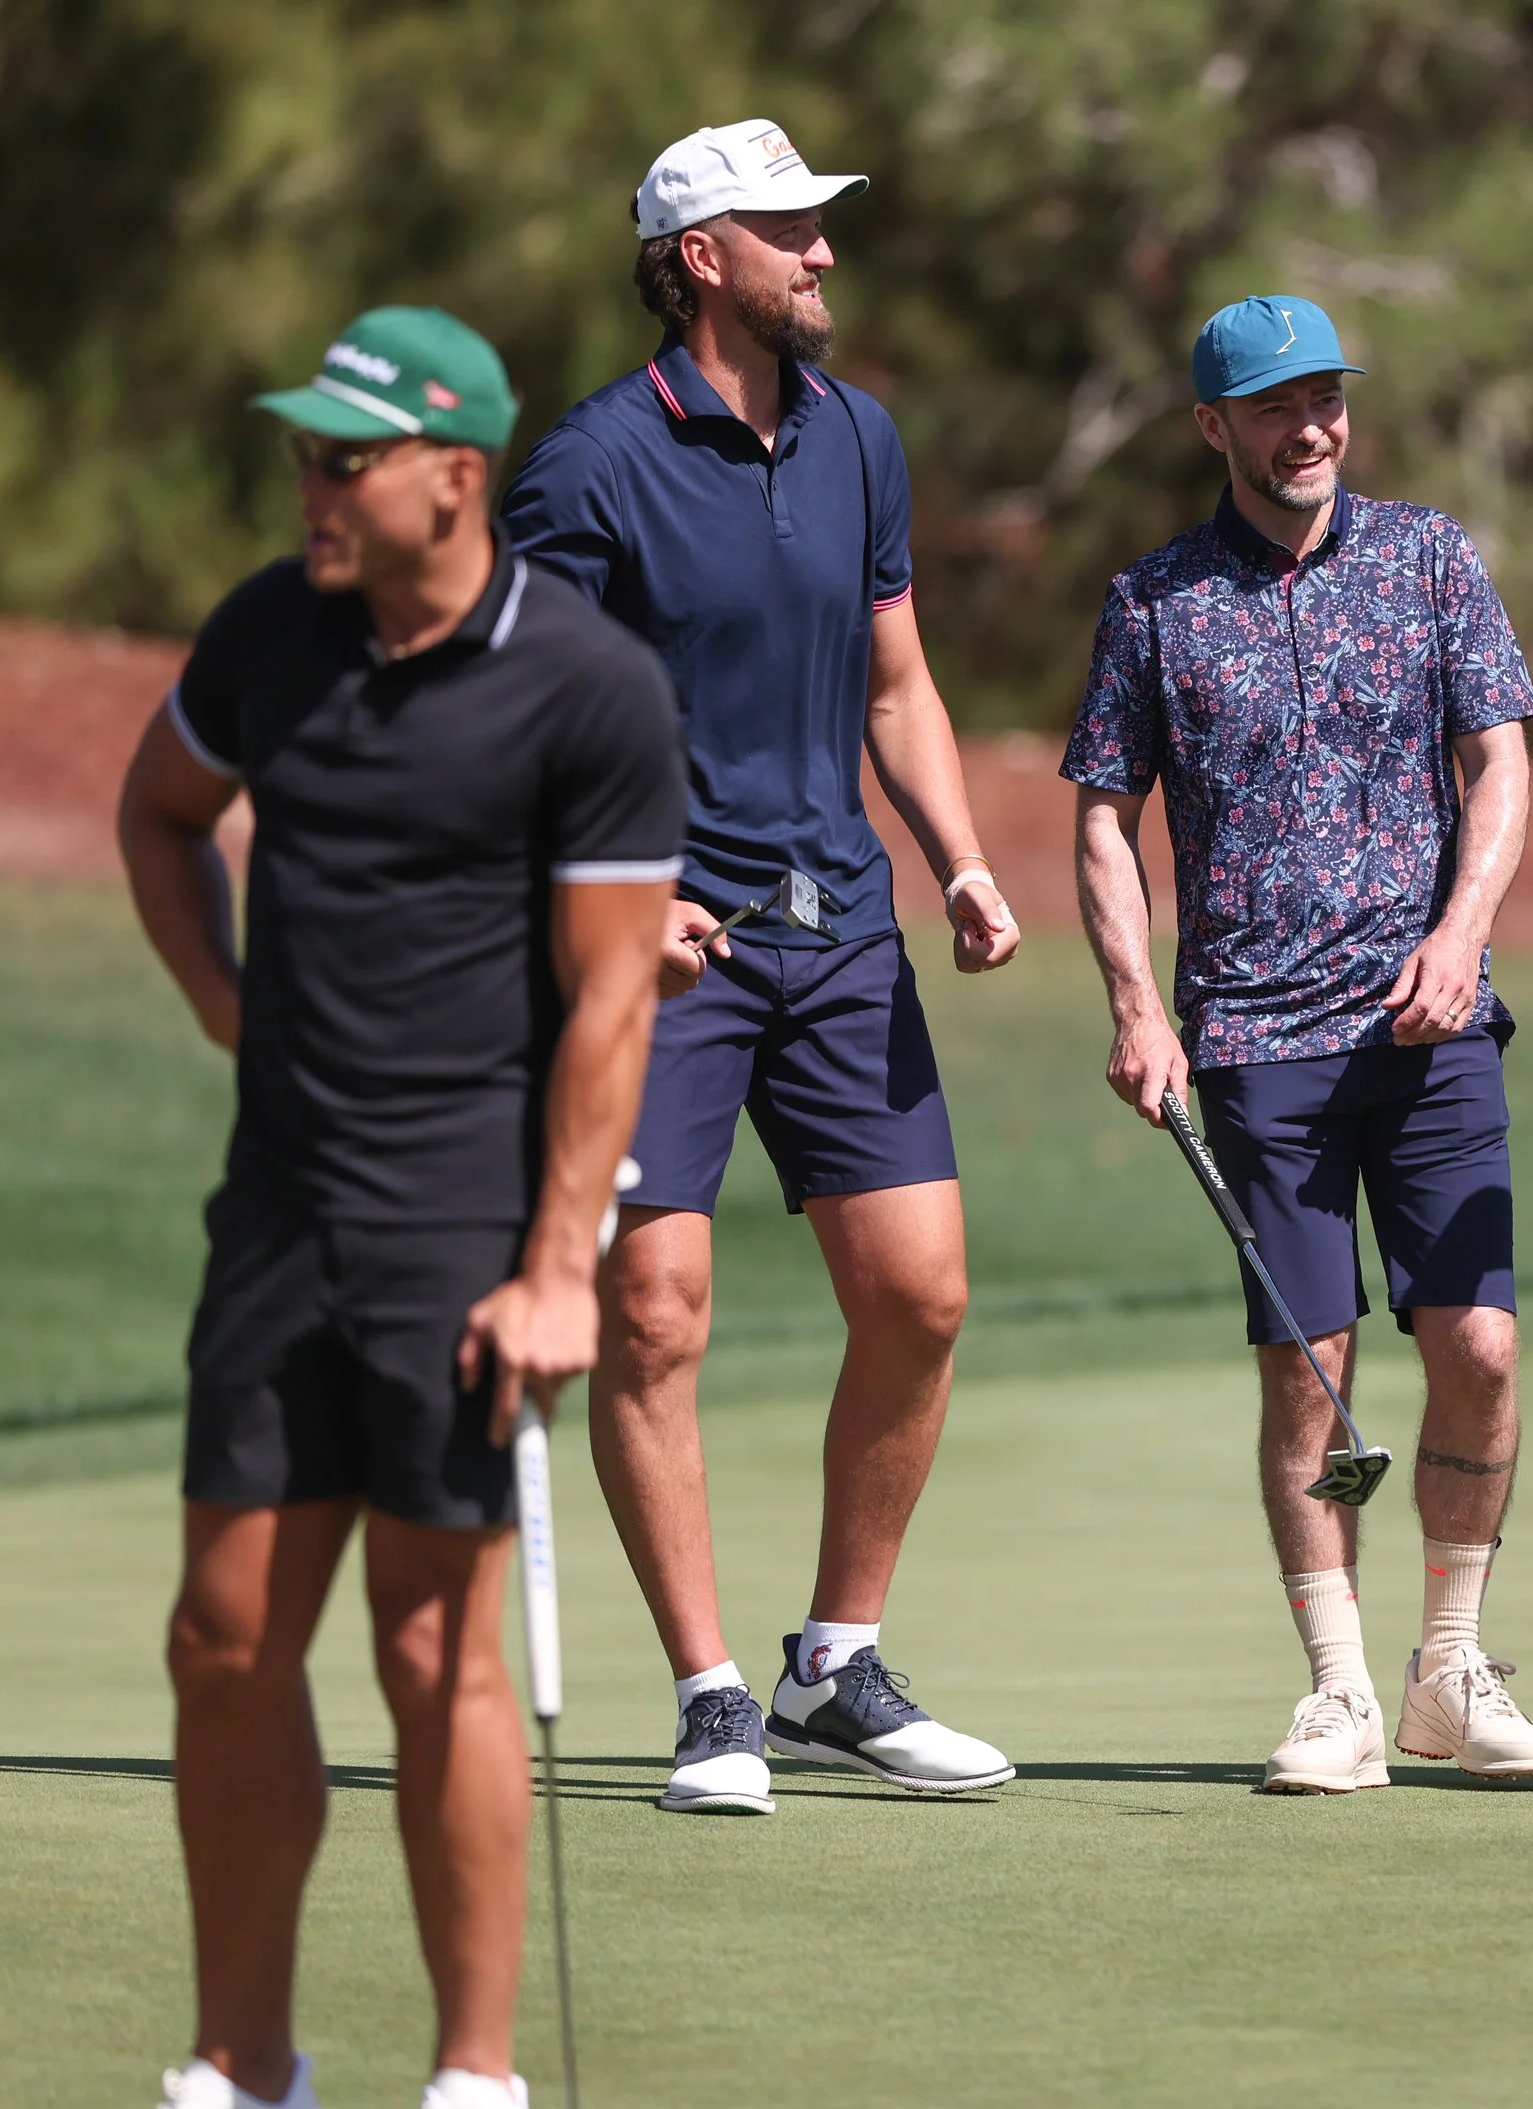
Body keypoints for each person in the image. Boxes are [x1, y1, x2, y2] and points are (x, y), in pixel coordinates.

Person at [119, 309, 685, 2108]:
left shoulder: (585, 684)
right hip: (280, 1214)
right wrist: (226, 1006)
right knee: (221, 1639)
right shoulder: (268, 635)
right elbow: (160, 813)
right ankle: (243, 2066)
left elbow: (612, 998)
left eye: (344, 460)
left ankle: (473, 2077)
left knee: (433, 1645)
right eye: (303, 454)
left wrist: (559, 1269)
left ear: (455, 477)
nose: (313, 485)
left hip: (465, 1224)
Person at [501, 120, 1019, 1812]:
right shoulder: (589, 464)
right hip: (663, 954)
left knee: (921, 1296)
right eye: (789, 229)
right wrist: (620, 890)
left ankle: (834, 1665)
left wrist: (960, 859)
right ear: (700, 259)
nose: (823, 252)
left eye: (823, 225)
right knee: (655, 1312)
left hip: (840, 926)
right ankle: (712, 1695)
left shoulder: (859, 435)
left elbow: (897, 686)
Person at [1065, 295, 1533, 1793]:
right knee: (1307, 1367)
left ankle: (1449, 1670)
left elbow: (1498, 759)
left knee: (1478, 1343)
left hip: (1429, 1017)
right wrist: (1136, 1005)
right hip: (1254, 1036)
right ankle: (1341, 1696)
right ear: (1214, 426)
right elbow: (1104, 812)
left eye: (1327, 397)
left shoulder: (1428, 558)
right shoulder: (1154, 601)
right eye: (1277, 406)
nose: (1311, 428)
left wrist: (1462, 935)